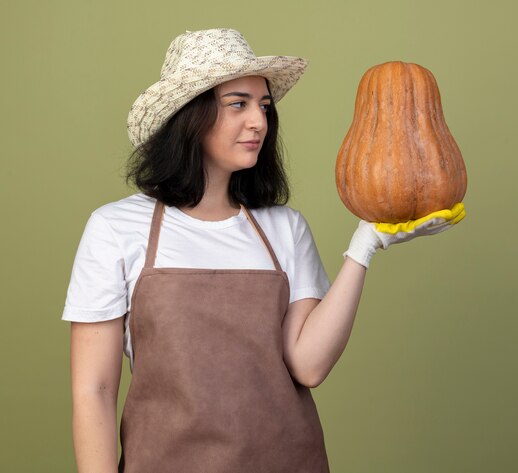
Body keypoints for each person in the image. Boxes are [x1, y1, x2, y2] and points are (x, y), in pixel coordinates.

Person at [62, 28, 465, 473]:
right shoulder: (117, 228)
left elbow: (307, 367)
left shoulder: (284, 228)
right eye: (238, 103)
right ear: (188, 117)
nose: (259, 121)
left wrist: (364, 245)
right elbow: (94, 390)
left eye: (264, 105)